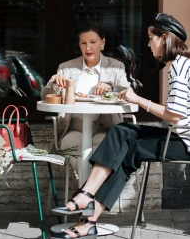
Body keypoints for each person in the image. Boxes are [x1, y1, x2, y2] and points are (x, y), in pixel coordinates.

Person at [50, 13, 190, 239]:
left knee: (129, 151)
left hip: (188, 144)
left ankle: (86, 212)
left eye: (151, 38)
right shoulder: (181, 65)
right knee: (121, 132)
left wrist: (138, 99)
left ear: (165, 38)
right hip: (186, 137)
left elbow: (175, 115)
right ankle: (86, 201)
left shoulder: (179, 68)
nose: (148, 44)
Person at [40, 22, 130, 180]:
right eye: (83, 43)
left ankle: (84, 197)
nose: (88, 48)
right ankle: (91, 198)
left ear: (102, 43)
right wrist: (54, 83)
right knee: (81, 152)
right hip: (72, 130)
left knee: (101, 155)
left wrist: (111, 87)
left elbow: (128, 93)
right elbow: (44, 96)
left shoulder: (116, 67)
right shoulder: (66, 68)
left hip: (106, 130)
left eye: (93, 42)